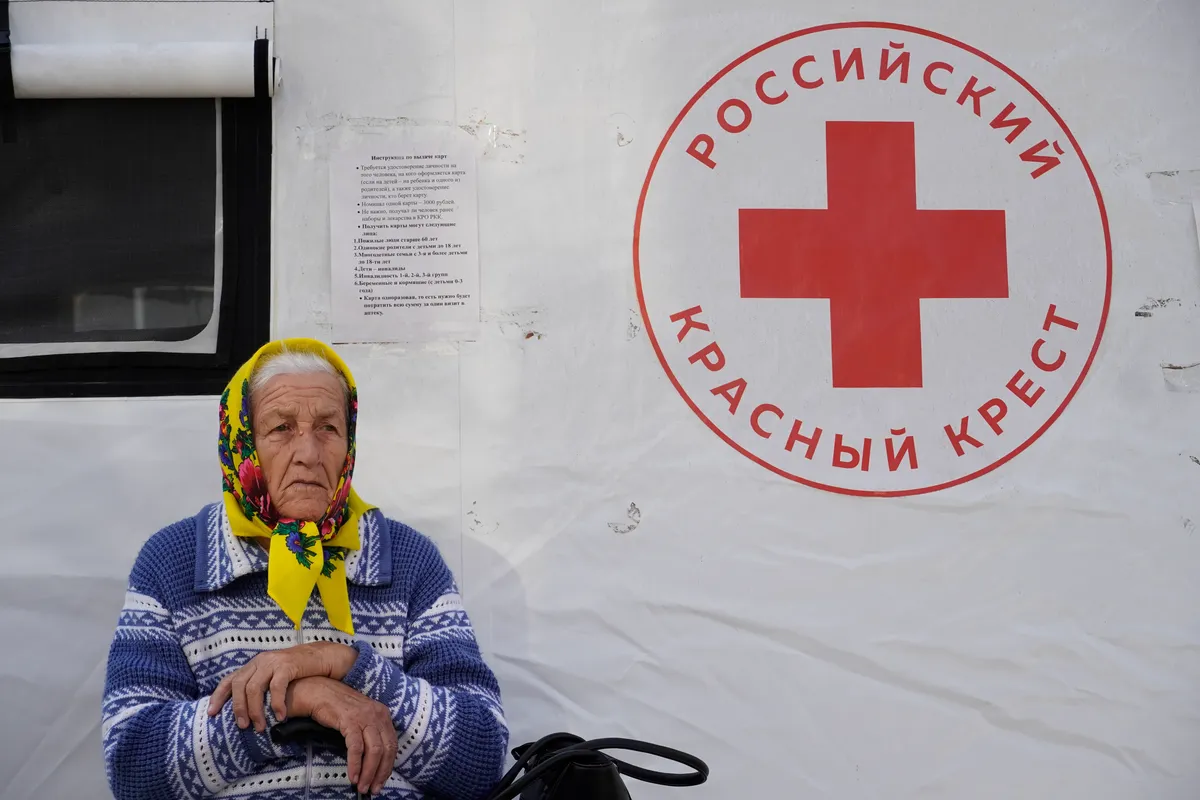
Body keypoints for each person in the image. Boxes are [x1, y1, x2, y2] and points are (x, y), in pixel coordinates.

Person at [101, 338, 508, 799]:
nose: (309, 453)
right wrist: (295, 700)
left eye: (328, 428)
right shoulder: (176, 561)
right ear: (242, 442)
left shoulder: (406, 559)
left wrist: (347, 665)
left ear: (349, 442)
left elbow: (480, 758)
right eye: (281, 428)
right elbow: (133, 766)